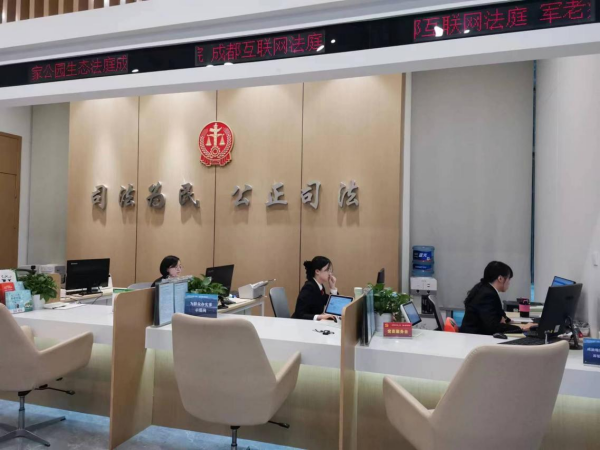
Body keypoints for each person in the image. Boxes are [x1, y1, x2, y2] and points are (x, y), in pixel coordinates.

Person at [460, 261, 537, 335]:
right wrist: (522, 328)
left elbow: (496, 313)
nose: (509, 283)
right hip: (475, 337)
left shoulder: (484, 288)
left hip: (474, 335)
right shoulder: (488, 294)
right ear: (500, 279)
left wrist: (506, 319)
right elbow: (492, 326)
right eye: (509, 278)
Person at [292, 256, 339, 321]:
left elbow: (331, 304)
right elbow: (299, 314)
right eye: (327, 270)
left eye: (330, 270)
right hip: (300, 323)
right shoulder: (309, 287)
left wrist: (332, 287)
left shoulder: (320, 286)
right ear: (317, 271)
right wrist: (319, 317)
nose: (330, 273)